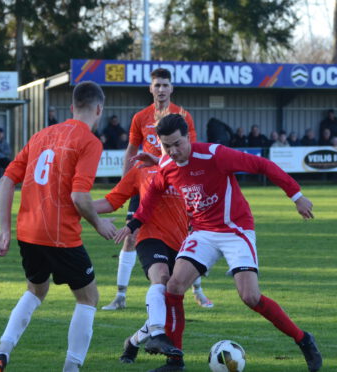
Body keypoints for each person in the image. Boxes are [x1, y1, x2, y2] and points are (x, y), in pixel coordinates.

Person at [115, 114, 322, 372]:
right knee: (174, 286)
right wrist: (133, 224)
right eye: (166, 145)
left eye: (178, 143)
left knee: (250, 296)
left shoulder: (215, 155)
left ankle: (303, 339)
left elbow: (263, 165)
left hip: (235, 229)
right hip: (202, 232)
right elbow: (153, 193)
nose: (173, 151)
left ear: (189, 137)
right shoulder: (167, 163)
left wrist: (296, 196)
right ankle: (175, 362)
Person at [0, 81, 117, 372]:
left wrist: (4, 230)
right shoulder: (90, 142)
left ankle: (2, 352)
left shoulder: (41, 134)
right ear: (99, 109)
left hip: (27, 233)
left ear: (72, 108)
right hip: (60, 235)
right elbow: (79, 197)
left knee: (35, 290)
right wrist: (98, 223)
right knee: (88, 297)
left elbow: (7, 179)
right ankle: (71, 368)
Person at [105, 67, 211, 310]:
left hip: (175, 186)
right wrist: (126, 183)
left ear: (171, 88)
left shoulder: (183, 116)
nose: (161, 89)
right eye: (157, 85)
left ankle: (198, 291)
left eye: (165, 85)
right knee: (130, 237)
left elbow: (191, 150)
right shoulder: (140, 117)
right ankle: (120, 296)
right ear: (150, 88)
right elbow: (132, 150)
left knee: (187, 237)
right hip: (145, 185)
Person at [92, 160, 189, 364]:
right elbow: (112, 200)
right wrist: (77, 207)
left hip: (180, 239)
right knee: (161, 276)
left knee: (166, 301)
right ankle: (156, 334)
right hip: (149, 235)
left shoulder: (185, 164)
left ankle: (133, 342)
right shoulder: (141, 169)